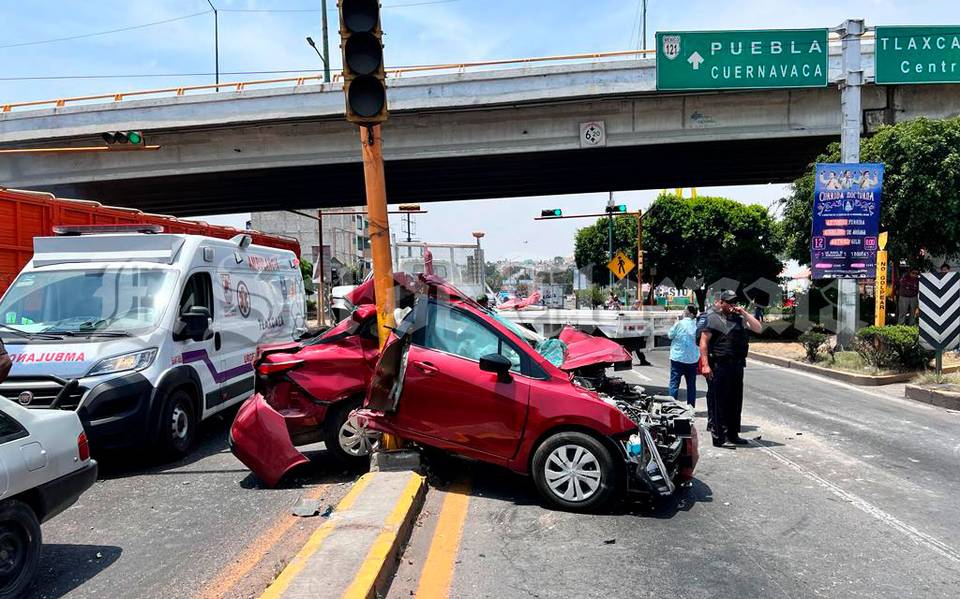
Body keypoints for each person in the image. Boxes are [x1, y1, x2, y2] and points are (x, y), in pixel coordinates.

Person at [699, 290, 762, 447]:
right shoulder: (713, 318)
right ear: (721, 303)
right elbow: (703, 343)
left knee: (735, 401)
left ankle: (733, 435)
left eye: (734, 302)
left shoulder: (739, 318)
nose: (732, 305)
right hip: (719, 365)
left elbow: (758, 328)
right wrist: (705, 365)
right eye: (729, 302)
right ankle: (719, 437)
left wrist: (745, 313)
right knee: (720, 402)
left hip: (737, 364)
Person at [668, 305, 699, 407]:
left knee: (674, 384)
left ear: (689, 313)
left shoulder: (679, 324)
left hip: (678, 358)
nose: (683, 311)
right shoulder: (697, 325)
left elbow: (670, 335)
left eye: (685, 310)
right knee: (691, 385)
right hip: (692, 359)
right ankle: (691, 407)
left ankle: (672, 406)